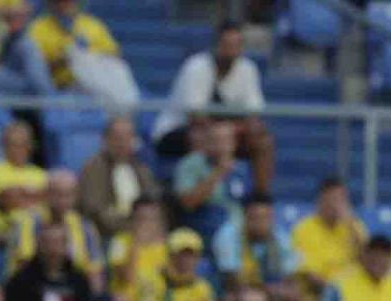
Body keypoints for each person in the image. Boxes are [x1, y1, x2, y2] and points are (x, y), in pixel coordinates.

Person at [152, 22, 274, 192]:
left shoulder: (248, 69)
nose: (231, 51)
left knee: (263, 141)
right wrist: (226, 132)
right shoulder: (195, 67)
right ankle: (194, 194)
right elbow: (196, 117)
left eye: (236, 45)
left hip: (227, 134)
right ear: (216, 45)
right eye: (226, 45)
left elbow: (254, 114)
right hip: (178, 131)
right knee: (201, 137)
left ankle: (260, 197)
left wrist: (231, 131)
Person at [4, 220, 94, 301]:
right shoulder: (22, 280)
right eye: (47, 242)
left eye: (58, 242)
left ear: (66, 246)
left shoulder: (79, 280)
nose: (53, 249)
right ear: (38, 244)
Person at [78, 116, 160, 242]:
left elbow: (154, 203)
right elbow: (96, 211)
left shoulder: (142, 169)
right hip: (108, 236)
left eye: (127, 138)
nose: (122, 143)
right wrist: (132, 228)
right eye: (117, 138)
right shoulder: (93, 169)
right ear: (105, 140)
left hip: (143, 234)